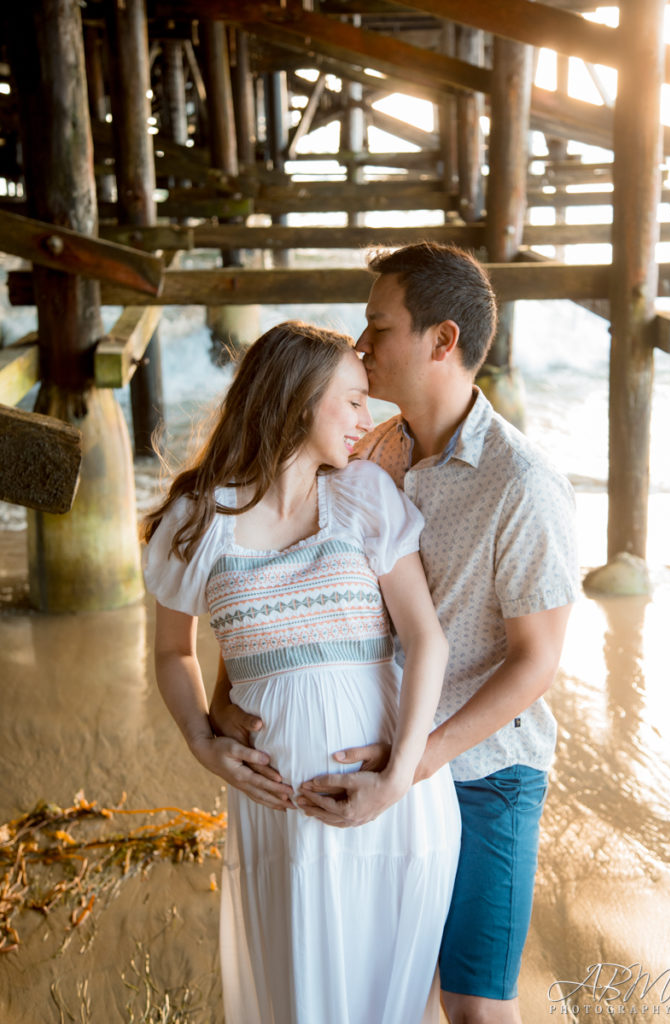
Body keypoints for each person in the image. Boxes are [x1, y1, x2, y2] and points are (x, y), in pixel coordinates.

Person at [212, 247, 579, 1024]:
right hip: (377, 754)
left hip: (483, 774)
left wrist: (410, 766)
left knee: (475, 1003)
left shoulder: (521, 484)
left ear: (441, 341)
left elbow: (535, 663)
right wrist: (224, 700)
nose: (361, 343)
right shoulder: (372, 450)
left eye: (378, 325)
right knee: (382, 984)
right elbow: (280, 582)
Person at [142, 320, 460, 1024]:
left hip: (390, 812)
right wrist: (201, 739)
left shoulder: (364, 499)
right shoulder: (197, 521)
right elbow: (172, 652)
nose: (366, 419)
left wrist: (395, 778)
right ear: (297, 398)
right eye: (351, 401)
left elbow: (426, 641)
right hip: (277, 821)